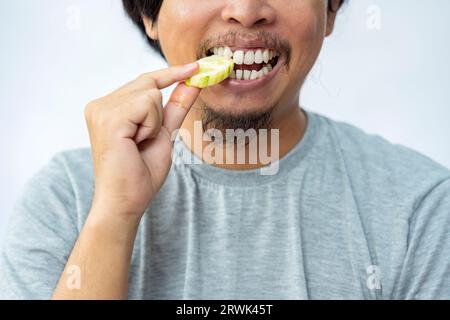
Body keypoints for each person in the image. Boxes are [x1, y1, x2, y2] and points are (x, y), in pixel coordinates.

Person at [1, 0, 449, 300]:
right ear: (150, 14)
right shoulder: (66, 202)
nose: (245, 11)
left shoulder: (420, 209)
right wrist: (114, 217)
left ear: (330, 11)